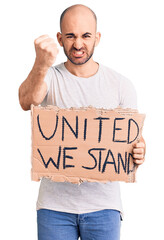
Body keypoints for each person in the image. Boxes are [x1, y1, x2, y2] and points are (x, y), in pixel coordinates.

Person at [18, 4, 145, 240]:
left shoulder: (120, 85)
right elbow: (26, 101)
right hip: (54, 208)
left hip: (104, 207)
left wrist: (139, 150)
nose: (78, 44)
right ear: (60, 38)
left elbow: (129, 138)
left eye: (86, 36)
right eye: (70, 36)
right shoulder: (48, 77)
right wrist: (41, 63)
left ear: (97, 37)